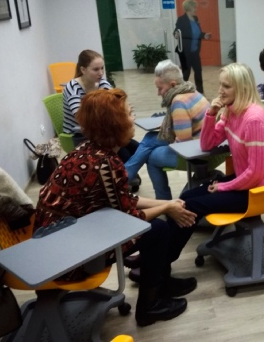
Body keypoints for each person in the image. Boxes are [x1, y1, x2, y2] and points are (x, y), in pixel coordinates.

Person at [34, 88, 198, 327]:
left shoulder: (88, 151)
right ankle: (149, 307)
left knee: (159, 225)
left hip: (56, 240)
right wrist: (166, 209)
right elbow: (132, 217)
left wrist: (166, 203)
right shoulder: (106, 163)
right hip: (68, 255)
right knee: (158, 231)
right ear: (115, 123)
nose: (133, 118)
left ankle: (161, 284)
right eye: (129, 113)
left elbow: (122, 199)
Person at [165, 63, 264, 264]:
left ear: (242, 88)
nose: (220, 91)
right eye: (220, 85)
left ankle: (162, 260)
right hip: (245, 182)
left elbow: (255, 174)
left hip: (258, 190)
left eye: (226, 86)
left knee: (191, 206)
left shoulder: (254, 119)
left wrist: (224, 186)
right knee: (186, 197)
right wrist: (211, 114)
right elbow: (207, 143)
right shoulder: (231, 111)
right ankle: (159, 252)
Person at [124, 60, 210, 200]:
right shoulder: (191, 91)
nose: (158, 93)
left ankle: (127, 178)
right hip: (204, 145)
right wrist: (170, 127)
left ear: (173, 85)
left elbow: (183, 143)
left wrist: (169, 131)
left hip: (196, 154)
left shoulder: (179, 102)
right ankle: (127, 174)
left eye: (160, 88)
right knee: (150, 138)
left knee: (151, 155)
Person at [62, 50, 140, 187]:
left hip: (100, 129)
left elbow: (116, 104)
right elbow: (82, 119)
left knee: (136, 147)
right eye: (96, 69)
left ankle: (125, 175)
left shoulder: (102, 83)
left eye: (102, 68)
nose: (101, 73)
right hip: (80, 133)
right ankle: (124, 178)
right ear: (83, 70)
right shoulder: (72, 88)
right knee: (121, 149)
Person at [173, 0, 212, 94]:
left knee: (198, 71)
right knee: (186, 73)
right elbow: (176, 31)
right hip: (185, 51)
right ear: (189, 8)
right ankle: (181, 91)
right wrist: (176, 34)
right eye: (194, 7)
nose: (196, 9)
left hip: (195, 51)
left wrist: (204, 35)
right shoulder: (181, 20)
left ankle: (200, 92)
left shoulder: (196, 19)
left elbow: (197, 32)